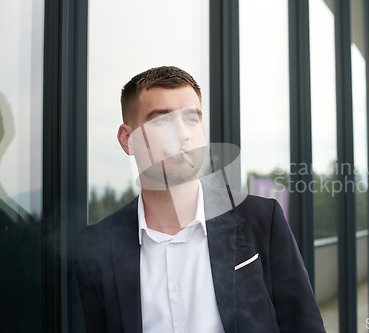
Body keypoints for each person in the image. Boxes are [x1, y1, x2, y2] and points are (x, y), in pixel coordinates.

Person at [75, 66, 325, 333]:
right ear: (128, 140)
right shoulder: (96, 246)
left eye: (192, 119)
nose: (182, 134)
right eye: (161, 120)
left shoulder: (261, 219)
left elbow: (304, 325)